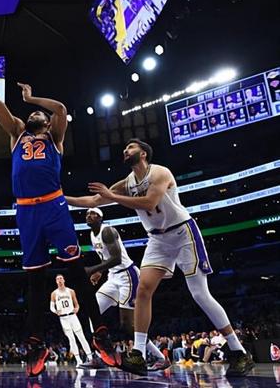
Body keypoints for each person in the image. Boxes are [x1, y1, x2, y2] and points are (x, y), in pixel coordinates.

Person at [0, 39, 118, 377]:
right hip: (26, 212)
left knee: (76, 272)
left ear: (47, 123)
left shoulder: (55, 137)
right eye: (33, 113)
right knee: (34, 280)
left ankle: (101, 335)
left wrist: (32, 99)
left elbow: (60, 108)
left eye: (39, 115)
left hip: (54, 206)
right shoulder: (16, 132)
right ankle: (36, 344)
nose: (35, 115)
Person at [66, 138, 254, 376]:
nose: (125, 150)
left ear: (143, 153)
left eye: (130, 147)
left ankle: (238, 351)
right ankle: (138, 354)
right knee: (143, 290)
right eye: (125, 148)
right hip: (157, 239)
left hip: (183, 232)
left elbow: (149, 202)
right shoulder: (127, 183)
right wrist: (61, 198)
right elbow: (94, 200)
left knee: (199, 294)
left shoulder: (160, 173)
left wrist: (112, 196)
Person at [77, 207, 169, 371]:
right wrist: (100, 272)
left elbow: (117, 258)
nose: (89, 216)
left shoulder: (108, 231)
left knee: (127, 325)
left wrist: (92, 269)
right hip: (113, 277)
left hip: (128, 276)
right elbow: (106, 258)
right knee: (93, 312)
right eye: (87, 214)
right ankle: (100, 356)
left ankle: (161, 358)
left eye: (93, 214)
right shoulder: (92, 234)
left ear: (100, 218)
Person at [49, 275, 95, 367]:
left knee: (81, 337)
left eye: (61, 278)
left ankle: (90, 358)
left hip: (72, 316)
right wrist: (55, 311)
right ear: (56, 281)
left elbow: (76, 304)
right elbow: (51, 307)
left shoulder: (71, 291)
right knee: (71, 339)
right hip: (63, 318)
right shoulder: (54, 293)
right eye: (57, 279)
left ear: (64, 280)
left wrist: (77, 308)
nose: (59, 280)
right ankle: (78, 360)